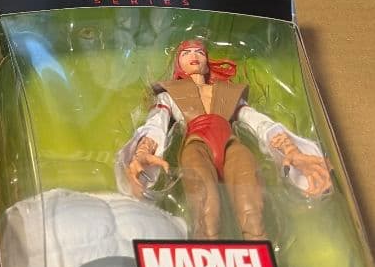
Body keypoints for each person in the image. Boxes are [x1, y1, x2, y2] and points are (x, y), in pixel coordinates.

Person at [117, 39, 331, 240]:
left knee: (252, 213)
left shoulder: (227, 92)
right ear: (178, 62)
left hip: (232, 147)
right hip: (196, 147)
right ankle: (208, 262)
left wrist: (290, 149)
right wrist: (142, 152)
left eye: (200, 52)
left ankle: (261, 263)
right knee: (206, 215)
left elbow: (258, 122)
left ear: (207, 62)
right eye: (186, 53)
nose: (194, 56)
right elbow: (156, 124)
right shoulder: (169, 94)